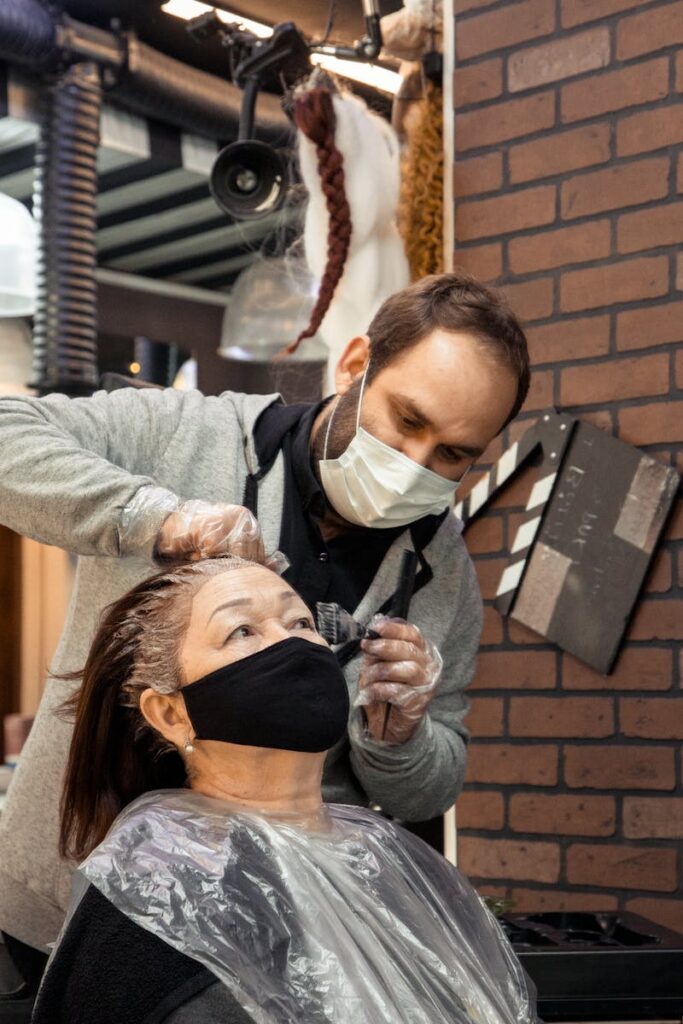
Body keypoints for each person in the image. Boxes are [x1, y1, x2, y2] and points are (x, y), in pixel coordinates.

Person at [0, 272, 528, 966]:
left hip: (275, 940)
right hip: (68, 901)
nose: (415, 465)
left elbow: (434, 782)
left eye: (454, 455)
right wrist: (153, 517)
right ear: (353, 365)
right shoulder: (188, 435)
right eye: (407, 419)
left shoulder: (441, 572)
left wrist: (399, 737)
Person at [33, 557, 538, 1024]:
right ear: (170, 712)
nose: (292, 644)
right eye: (242, 630)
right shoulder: (155, 895)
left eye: (301, 624)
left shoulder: (385, 859)